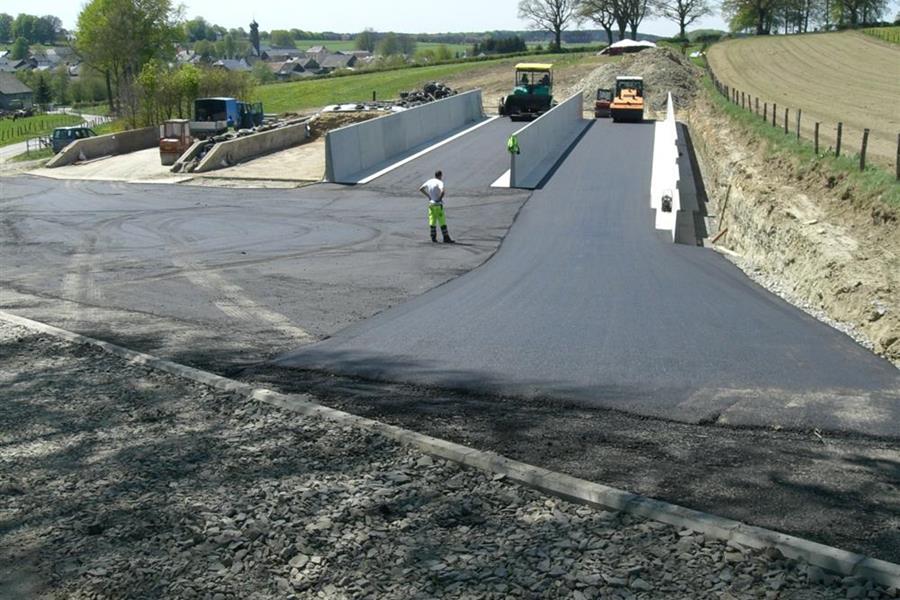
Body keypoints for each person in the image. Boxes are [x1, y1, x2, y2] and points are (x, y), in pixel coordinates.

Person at [419, 170, 454, 244]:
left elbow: (421, 189)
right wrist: (439, 199)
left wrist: (429, 196)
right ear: (440, 175)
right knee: (442, 221)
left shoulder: (429, 181)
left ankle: (433, 237)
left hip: (431, 205)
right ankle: (446, 238)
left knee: (432, 220)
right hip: (438, 205)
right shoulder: (440, 182)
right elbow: (443, 191)